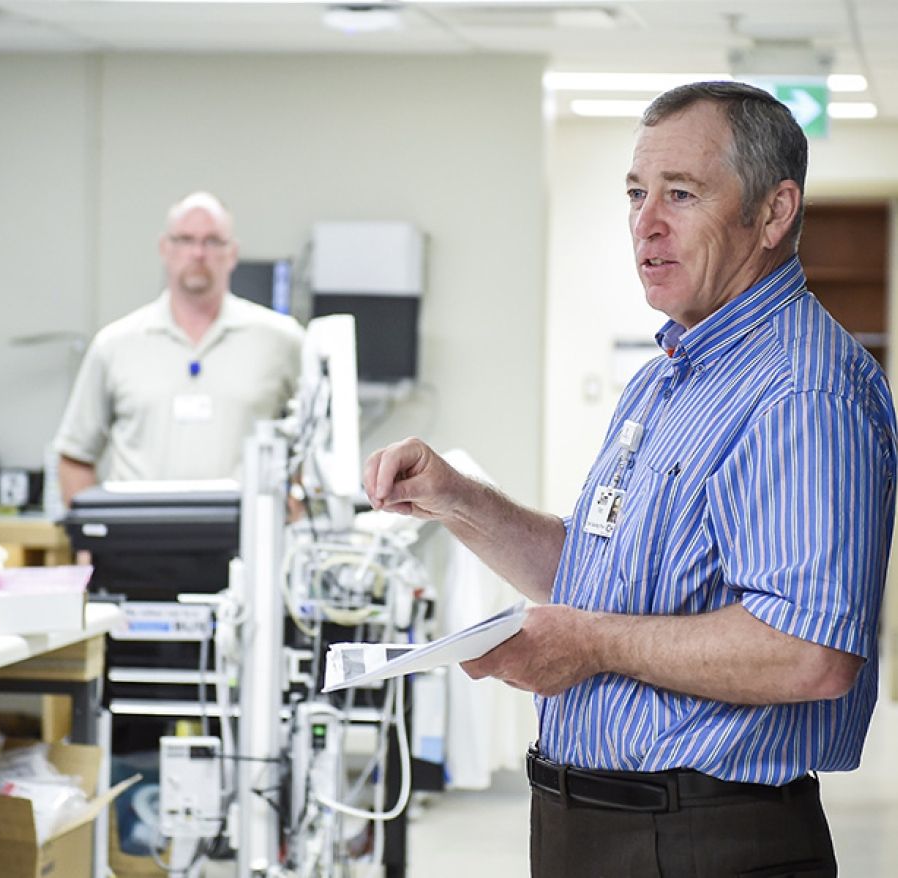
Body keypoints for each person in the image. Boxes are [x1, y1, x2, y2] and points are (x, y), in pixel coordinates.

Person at [364, 82, 896, 877]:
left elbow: (810, 653)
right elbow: (596, 578)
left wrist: (589, 645)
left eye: (681, 194)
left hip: (699, 840)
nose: (646, 224)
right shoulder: (665, 380)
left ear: (774, 213)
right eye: (636, 194)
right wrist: (457, 502)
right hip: (590, 828)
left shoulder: (803, 390)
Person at [54, 191, 303, 502]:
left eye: (213, 241)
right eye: (185, 239)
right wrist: (92, 542)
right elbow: (75, 457)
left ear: (233, 252)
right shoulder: (115, 344)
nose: (198, 253)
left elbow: (320, 447)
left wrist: (292, 513)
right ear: (165, 248)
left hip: (246, 540)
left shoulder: (280, 340)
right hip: (138, 542)